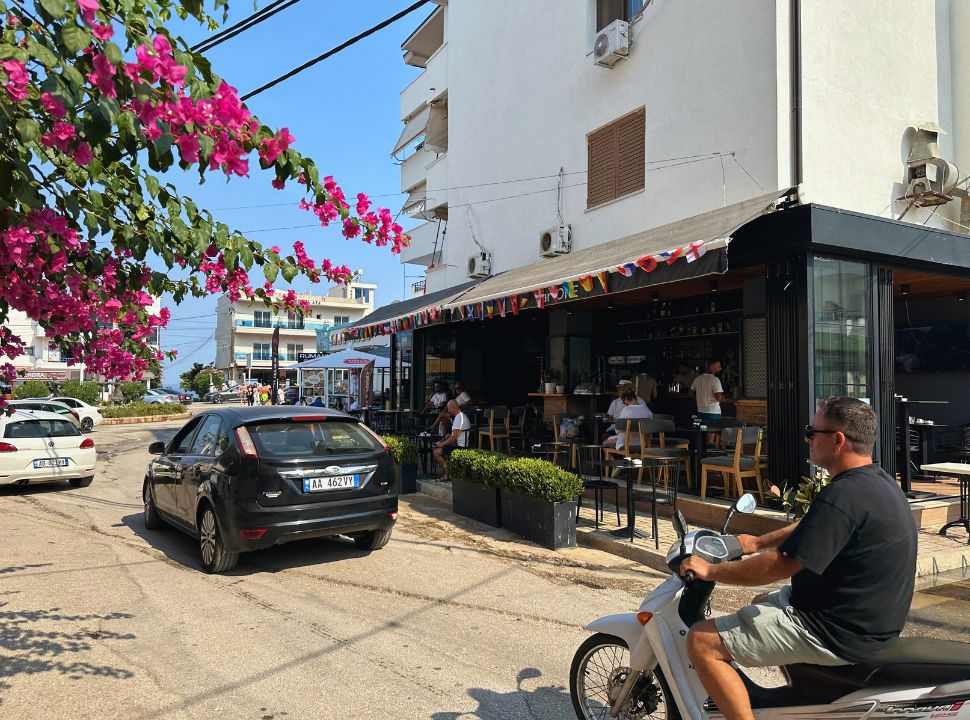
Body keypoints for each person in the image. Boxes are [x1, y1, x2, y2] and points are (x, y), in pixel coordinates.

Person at [680, 397, 917, 720]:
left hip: (835, 630)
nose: (807, 439)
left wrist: (710, 570)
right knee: (764, 600)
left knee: (702, 641)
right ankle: (801, 699)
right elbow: (814, 523)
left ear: (837, 440)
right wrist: (757, 541)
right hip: (863, 621)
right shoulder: (874, 482)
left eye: (812, 432)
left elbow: (780, 565)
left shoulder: (844, 495)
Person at [433, 400, 470, 480]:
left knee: (436, 452)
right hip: (460, 444)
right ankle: (447, 471)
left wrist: (442, 444)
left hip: (460, 447)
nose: (449, 411)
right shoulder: (462, 416)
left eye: (449, 409)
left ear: (454, 407)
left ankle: (447, 473)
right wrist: (449, 436)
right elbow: (456, 434)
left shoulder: (458, 418)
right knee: (442, 448)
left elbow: (454, 437)